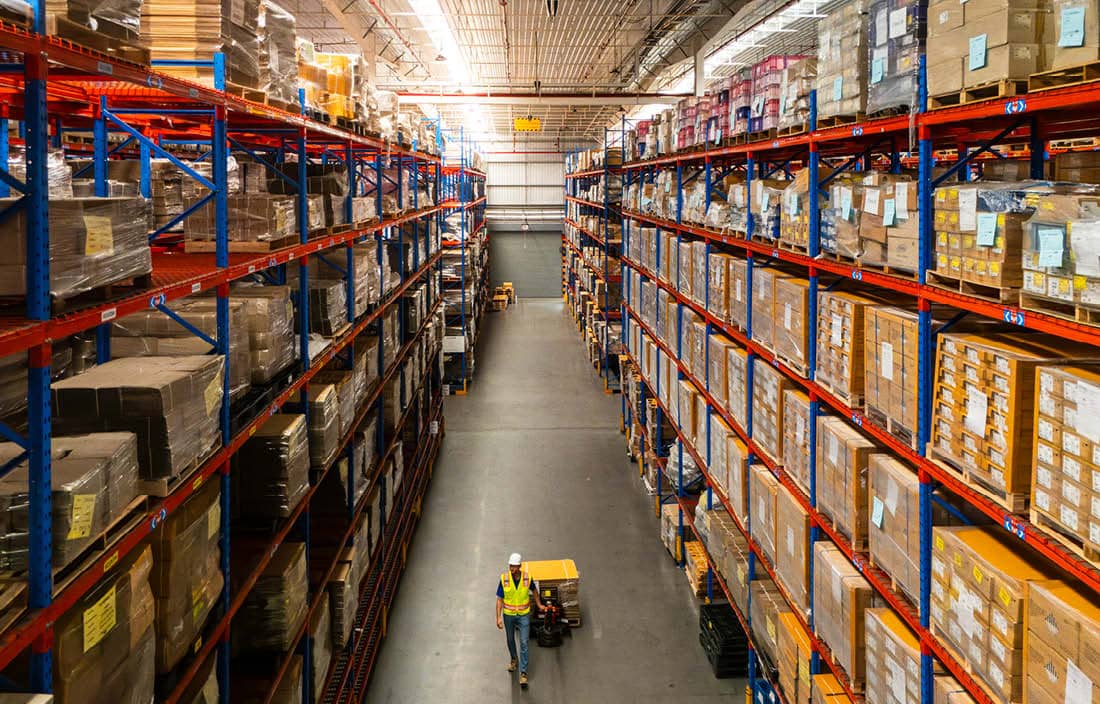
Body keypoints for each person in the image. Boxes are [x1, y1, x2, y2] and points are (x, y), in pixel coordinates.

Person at [495, 552, 545, 688]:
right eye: (510, 566)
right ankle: (513, 659)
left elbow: (534, 591)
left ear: (520, 566)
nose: (511, 569)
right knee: (510, 640)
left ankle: (523, 673)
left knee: (524, 642)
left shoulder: (527, 578)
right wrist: (498, 617)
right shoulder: (504, 578)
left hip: (523, 615)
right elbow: (499, 599)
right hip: (509, 615)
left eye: (514, 566)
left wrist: (539, 604)